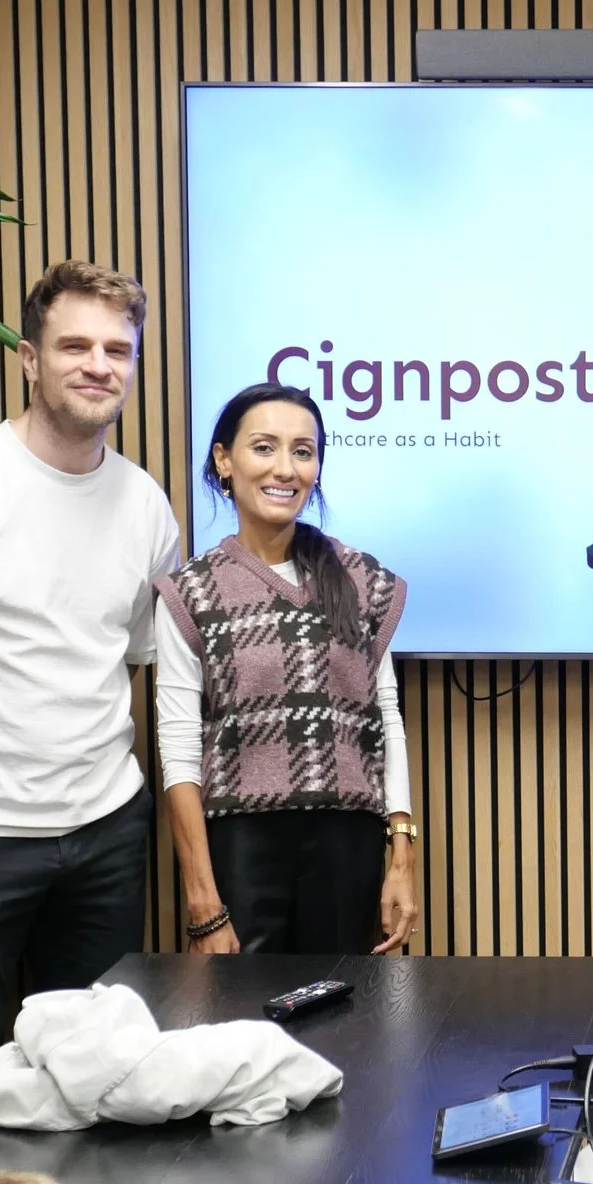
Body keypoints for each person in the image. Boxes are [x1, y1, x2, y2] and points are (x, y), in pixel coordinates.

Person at [0, 261, 181, 1073]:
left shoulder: (145, 505)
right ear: (29, 358)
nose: (99, 365)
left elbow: (134, 658)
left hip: (105, 830)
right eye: (74, 346)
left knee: (95, 1079)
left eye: (118, 350)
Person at [157, 383, 420, 954]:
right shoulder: (190, 591)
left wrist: (402, 853)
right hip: (241, 849)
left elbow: (386, 720)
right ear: (224, 460)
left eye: (303, 451)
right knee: (242, 1033)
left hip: (347, 846)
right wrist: (203, 899)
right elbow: (179, 751)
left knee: (346, 1027)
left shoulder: (360, 580)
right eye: (264, 447)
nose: (286, 468)